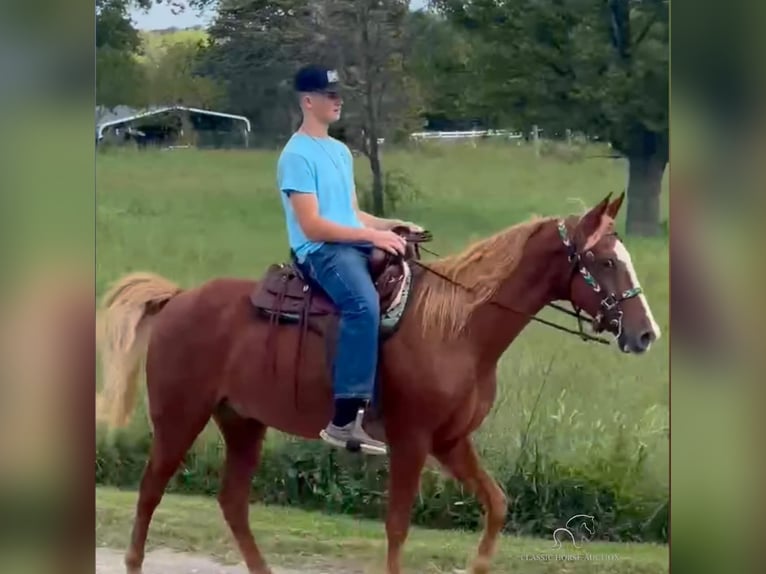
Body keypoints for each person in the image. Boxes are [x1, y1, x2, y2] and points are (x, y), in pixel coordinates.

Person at [276, 65, 422, 456]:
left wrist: (393, 225)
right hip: (321, 252)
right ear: (308, 101)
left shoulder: (339, 151)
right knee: (362, 305)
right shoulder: (296, 156)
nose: (338, 100)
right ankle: (344, 420)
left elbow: (351, 214)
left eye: (339, 94)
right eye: (329, 95)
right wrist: (373, 237)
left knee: (413, 280)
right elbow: (313, 226)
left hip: (350, 242)